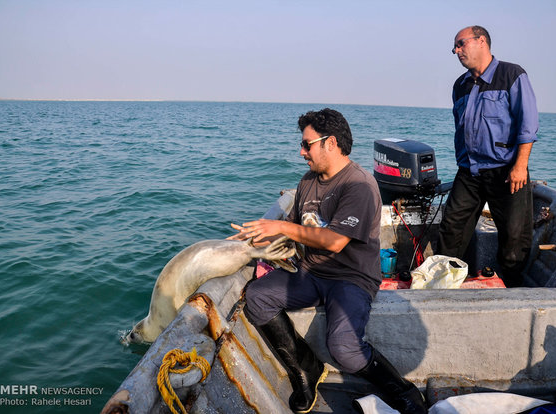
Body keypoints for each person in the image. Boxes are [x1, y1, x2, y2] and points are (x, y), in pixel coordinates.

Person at [229, 108, 426, 414]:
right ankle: (306, 369)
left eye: (307, 144)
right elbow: (295, 232)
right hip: (309, 272)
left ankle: (403, 391)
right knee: (257, 297)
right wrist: (249, 240)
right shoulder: (308, 181)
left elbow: (334, 241)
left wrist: (280, 226)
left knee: (344, 349)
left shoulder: (359, 185)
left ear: (330, 143)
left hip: (351, 278)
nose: (301, 151)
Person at [437, 25, 539, 287]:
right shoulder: (460, 85)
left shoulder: (512, 74)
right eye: (455, 47)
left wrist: (520, 166)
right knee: (451, 229)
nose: (456, 51)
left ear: (481, 41)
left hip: (507, 171)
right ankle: (446, 286)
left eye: (461, 44)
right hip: (469, 172)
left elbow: (527, 124)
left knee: (515, 238)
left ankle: (511, 289)